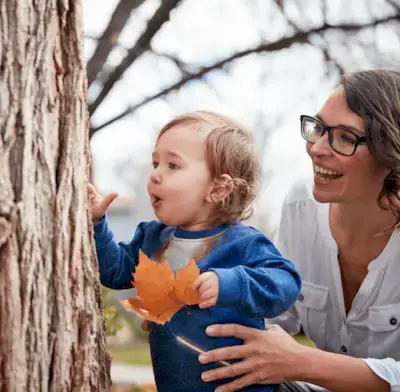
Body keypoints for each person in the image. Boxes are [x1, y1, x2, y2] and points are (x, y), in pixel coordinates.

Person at [196, 69, 400, 392]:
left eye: (345, 137)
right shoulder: (302, 206)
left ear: (390, 153)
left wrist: (302, 362)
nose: (316, 148)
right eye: (318, 128)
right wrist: (189, 309)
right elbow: (275, 314)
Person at [90, 110, 302, 392]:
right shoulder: (152, 238)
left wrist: (231, 283)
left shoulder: (242, 243)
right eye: (155, 163)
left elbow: (286, 284)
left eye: (173, 166)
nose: (155, 175)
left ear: (218, 188)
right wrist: (96, 224)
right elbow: (114, 271)